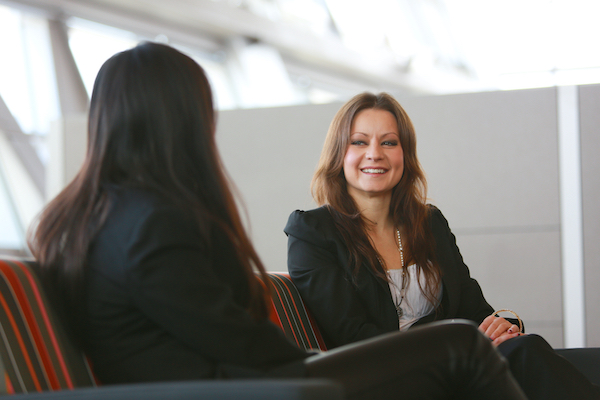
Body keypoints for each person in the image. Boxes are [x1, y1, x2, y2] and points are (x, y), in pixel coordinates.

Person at [28, 42, 527, 400]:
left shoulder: (85, 218)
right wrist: (311, 365)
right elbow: (234, 338)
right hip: (238, 387)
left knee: (469, 351)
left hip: (227, 381)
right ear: (181, 120)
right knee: (460, 344)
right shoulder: (150, 224)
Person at [285, 92, 600, 400]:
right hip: (384, 380)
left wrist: (496, 330)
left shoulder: (429, 223)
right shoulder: (313, 231)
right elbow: (350, 335)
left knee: (576, 359)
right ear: (339, 153)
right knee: (529, 356)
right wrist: (456, 347)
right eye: (359, 141)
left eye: (389, 142)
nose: (375, 153)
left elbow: (474, 310)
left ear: (404, 155)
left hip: (456, 367)